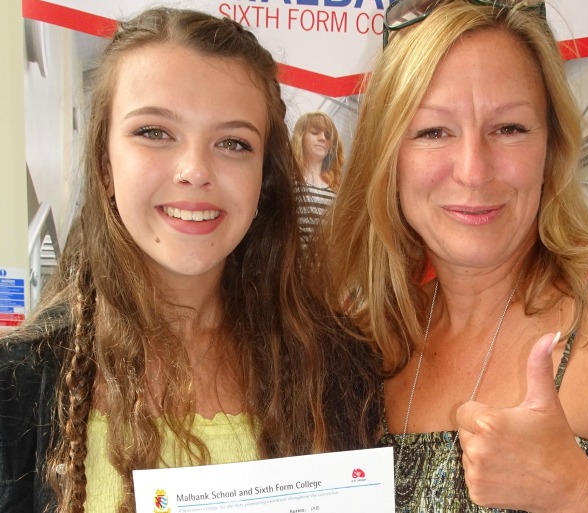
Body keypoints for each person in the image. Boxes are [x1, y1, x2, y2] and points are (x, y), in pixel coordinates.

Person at [321, 0, 588, 511]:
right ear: (388, 158)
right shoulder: (370, 335)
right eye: (434, 132)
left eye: (509, 129)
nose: (474, 171)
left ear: (552, 146)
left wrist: (575, 489)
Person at [0, 8, 380, 513]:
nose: (195, 170)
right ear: (105, 165)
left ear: (263, 181)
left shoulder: (340, 368)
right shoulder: (15, 384)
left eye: (232, 143)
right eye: (154, 132)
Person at [291, 112, 344, 248]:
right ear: (301, 136)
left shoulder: (336, 190)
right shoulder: (287, 181)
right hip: (289, 266)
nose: (322, 139)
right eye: (315, 132)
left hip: (324, 267)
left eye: (327, 135)